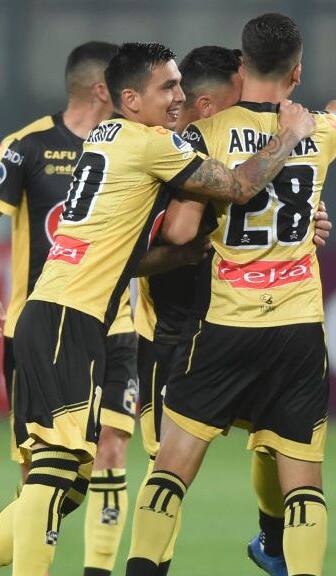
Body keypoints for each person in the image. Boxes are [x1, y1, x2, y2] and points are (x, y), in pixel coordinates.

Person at [0, 41, 315, 576]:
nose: (179, 96)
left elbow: (133, 255)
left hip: (59, 312)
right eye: (167, 87)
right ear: (130, 98)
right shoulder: (149, 145)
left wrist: (189, 251)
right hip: (65, 320)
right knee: (53, 475)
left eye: (179, 84)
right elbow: (239, 185)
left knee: (71, 484)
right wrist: (290, 137)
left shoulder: (110, 137)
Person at [125, 14, 336, 576]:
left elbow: (184, 232)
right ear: (298, 71)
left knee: (169, 472)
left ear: (242, 64)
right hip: (299, 326)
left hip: (227, 321)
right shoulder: (318, 131)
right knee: (303, 483)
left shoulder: (203, 133)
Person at [0, 41, 147, 576]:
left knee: (110, 449)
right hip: (41, 325)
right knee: (48, 476)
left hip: (115, 323)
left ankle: (97, 572)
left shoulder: (135, 148)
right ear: (102, 89)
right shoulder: (26, 147)